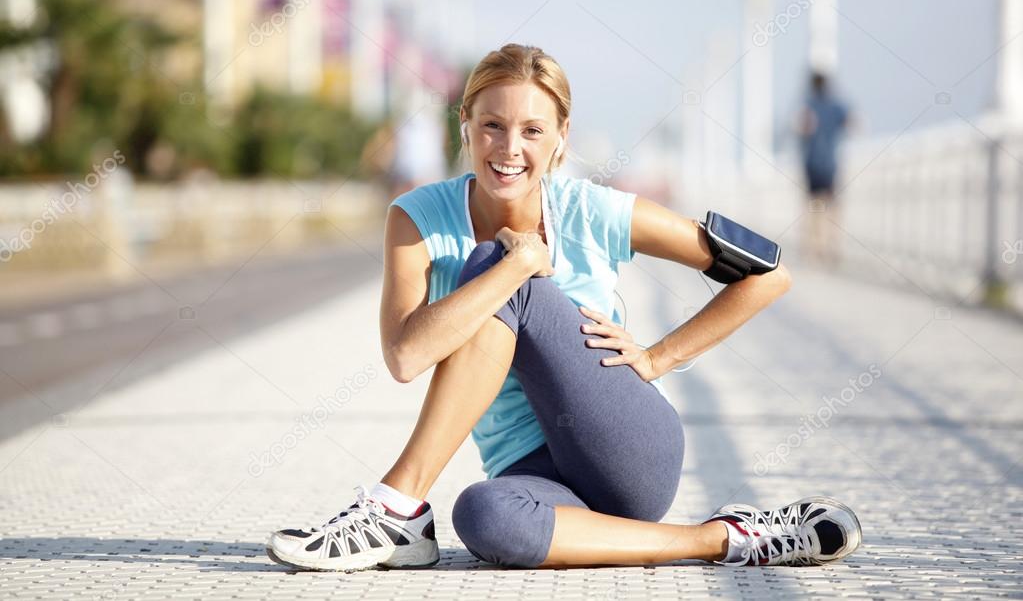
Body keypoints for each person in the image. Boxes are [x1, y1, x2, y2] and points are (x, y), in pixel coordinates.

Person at [266, 44, 862, 572]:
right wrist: (520, 263)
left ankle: (394, 507)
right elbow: (405, 356)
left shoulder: (592, 210)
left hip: (626, 447)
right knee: (482, 516)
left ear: (561, 138)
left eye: (532, 130)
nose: (508, 148)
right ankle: (723, 539)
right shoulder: (417, 217)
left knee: (494, 273)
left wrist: (656, 358)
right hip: (534, 477)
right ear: (465, 126)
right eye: (492, 125)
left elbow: (769, 277)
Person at [797, 73, 849, 262]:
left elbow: (802, 128)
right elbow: (853, 123)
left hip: (812, 164)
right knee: (832, 206)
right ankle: (832, 245)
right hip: (830, 164)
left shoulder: (809, 105)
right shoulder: (836, 105)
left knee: (813, 207)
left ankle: (814, 247)